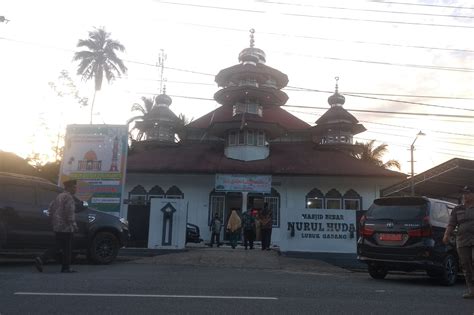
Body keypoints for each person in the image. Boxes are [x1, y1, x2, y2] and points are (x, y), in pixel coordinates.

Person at [35, 179, 79, 273]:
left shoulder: (58, 196)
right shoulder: (69, 197)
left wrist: (54, 220)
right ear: (70, 188)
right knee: (67, 248)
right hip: (66, 227)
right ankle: (65, 268)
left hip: (57, 226)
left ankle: (41, 259)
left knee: (58, 245)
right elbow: (69, 212)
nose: (76, 189)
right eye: (74, 187)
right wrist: (74, 224)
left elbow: (50, 209)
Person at [443, 185, 474, 299]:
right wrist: (446, 234)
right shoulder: (457, 209)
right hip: (462, 240)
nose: (465, 196)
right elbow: (451, 224)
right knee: (466, 265)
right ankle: (471, 290)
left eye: (468, 193)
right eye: (463, 193)